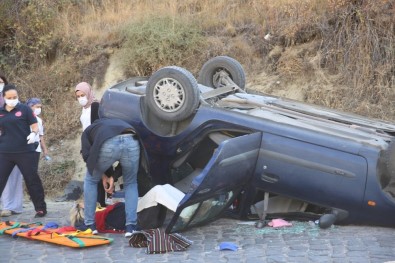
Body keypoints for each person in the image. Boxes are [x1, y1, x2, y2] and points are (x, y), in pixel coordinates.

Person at [79, 117, 140, 237]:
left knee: (90, 180)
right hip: (132, 139)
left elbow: (88, 158)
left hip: (108, 142)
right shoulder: (118, 122)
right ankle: (131, 227)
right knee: (131, 183)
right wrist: (112, 176)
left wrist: (102, 175)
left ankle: (90, 225)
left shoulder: (87, 131)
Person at [0, 84, 47, 218]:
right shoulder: (1, 112)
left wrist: (33, 134)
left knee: (32, 179)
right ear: (4, 98)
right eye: (9, 97)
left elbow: (34, 125)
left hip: (25, 151)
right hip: (5, 152)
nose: (12, 99)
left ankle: (40, 208)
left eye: (15, 97)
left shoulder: (25, 109)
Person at [75, 82, 107, 207]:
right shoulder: (84, 109)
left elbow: (96, 126)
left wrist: (93, 145)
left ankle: (100, 203)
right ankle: (98, 203)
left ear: (88, 93)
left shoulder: (95, 106)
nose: (80, 98)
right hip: (88, 144)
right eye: (78, 96)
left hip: (95, 143)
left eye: (82, 95)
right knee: (95, 174)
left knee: (96, 174)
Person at [0, 74, 24, 217]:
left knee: (11, 175)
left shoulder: (14, 102)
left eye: (1, 82)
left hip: (12, 143)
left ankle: (11, 205)